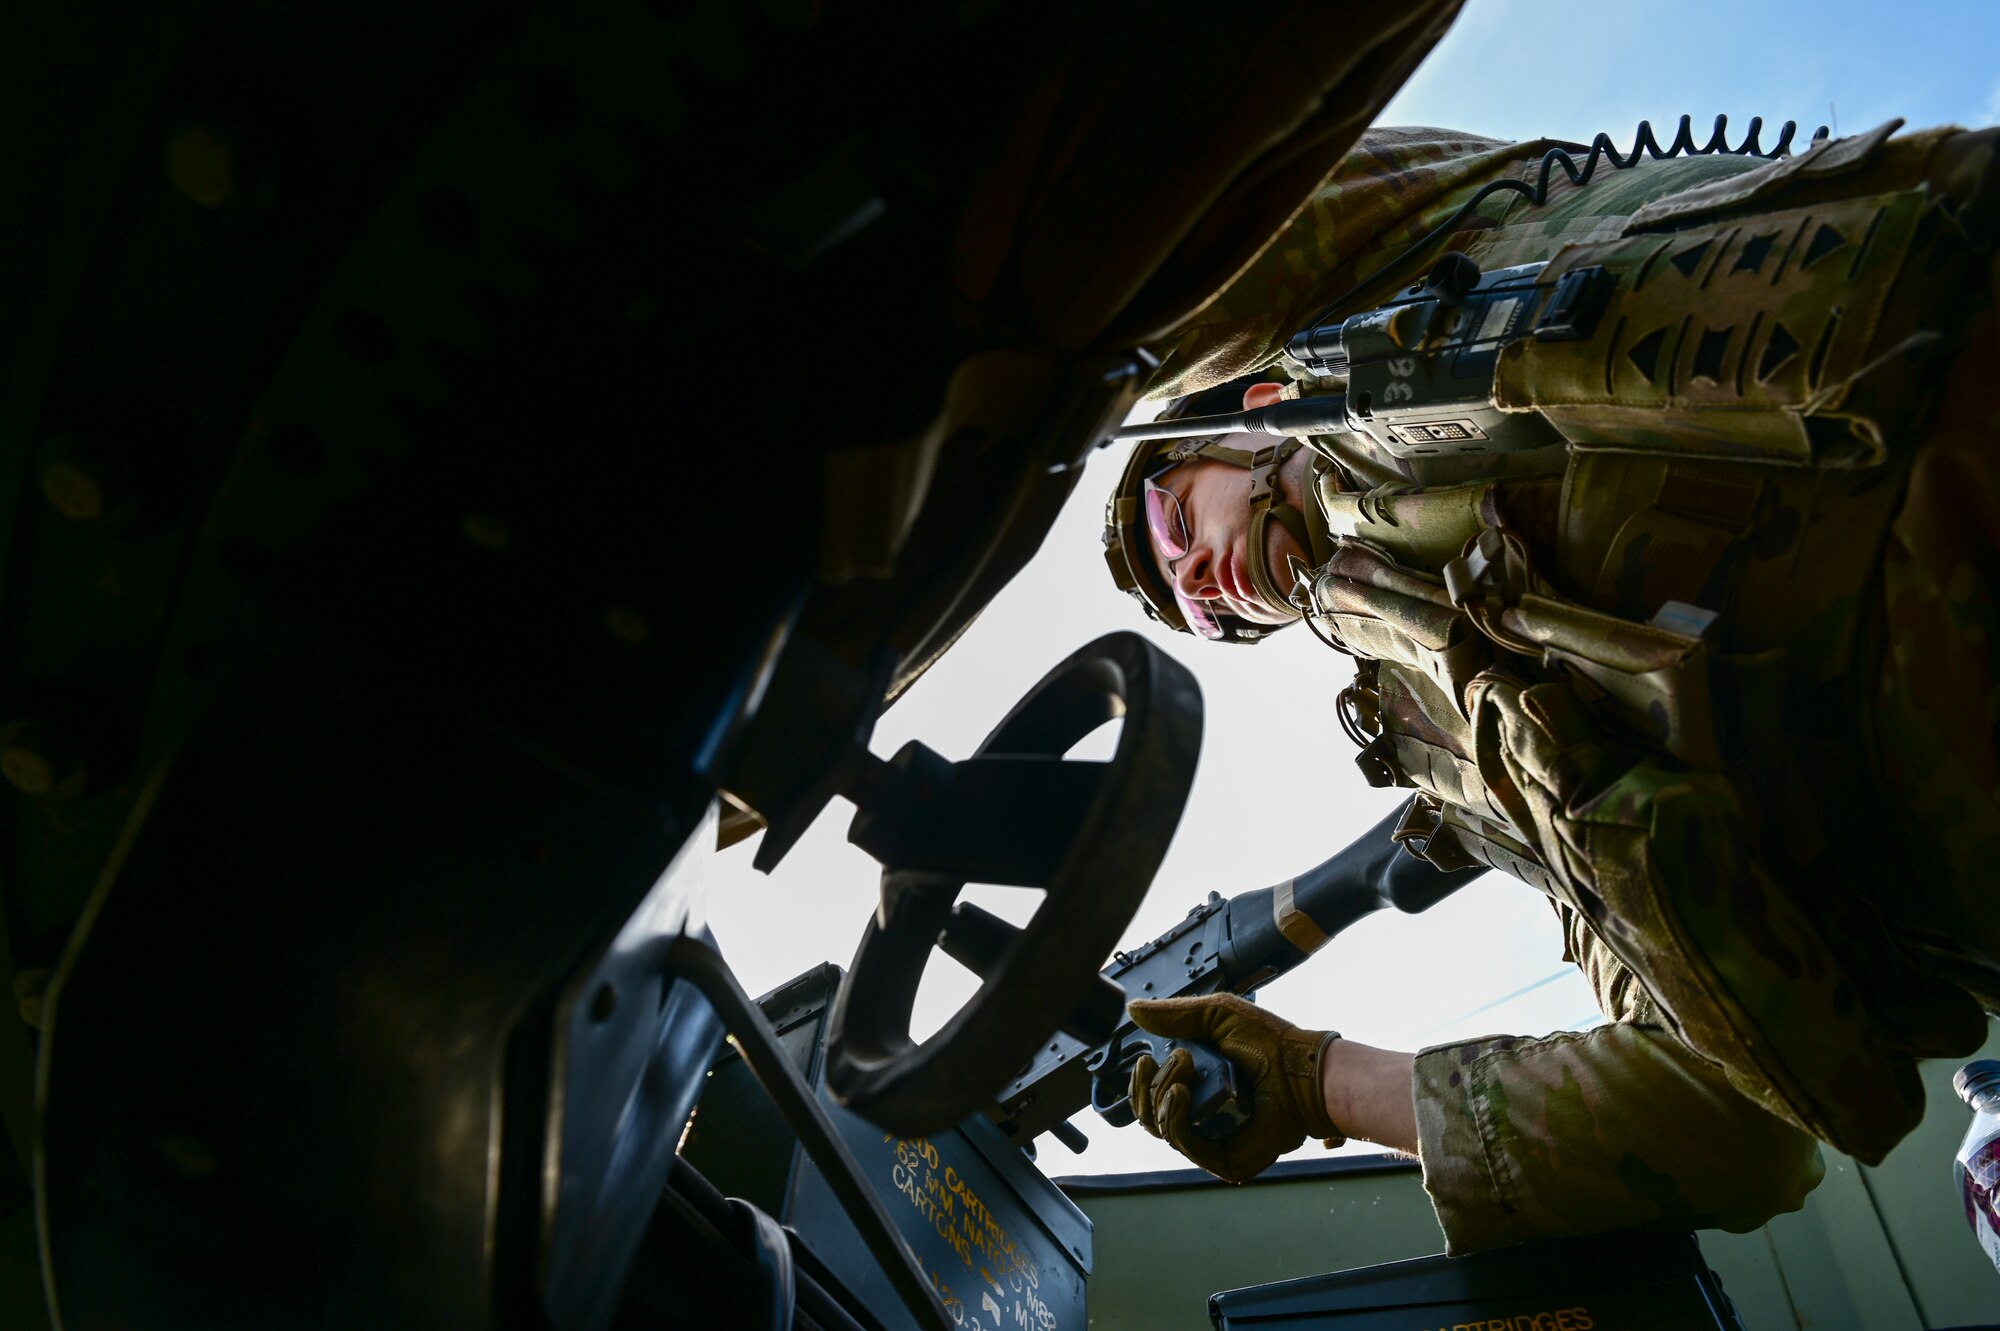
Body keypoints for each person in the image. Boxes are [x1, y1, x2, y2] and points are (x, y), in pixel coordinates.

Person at [1100, 119, 2000, 1253]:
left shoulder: (1405, 268)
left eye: (1179, 518)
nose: (1195, 573)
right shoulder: (1456, 754)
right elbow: (1733, 1125)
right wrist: (1310, 1080)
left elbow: (1143, 227)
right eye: (1193, 601)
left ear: (1232, 413)